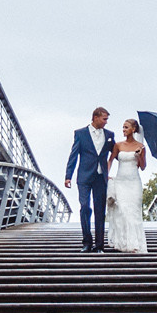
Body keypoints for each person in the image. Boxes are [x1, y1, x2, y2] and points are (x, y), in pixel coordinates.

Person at [62, 106, 113, 252]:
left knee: (100, 210)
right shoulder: (80, 134)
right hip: (84, 176)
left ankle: (99, 245)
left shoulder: (109, 134)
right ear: (96, 117)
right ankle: (86, 242)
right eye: (104, 119)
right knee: (85, 207)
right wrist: (68, 176)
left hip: (100, 177)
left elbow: (116, 151)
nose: (106, 122)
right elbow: (73, 155)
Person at [104, 117, 150, 255]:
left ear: (133, 129)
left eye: (126, 127)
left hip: (134, 182)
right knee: (122, 211)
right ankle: (122, 242)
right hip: (121, 181)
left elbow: (142, 167)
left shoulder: (140, 147)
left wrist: (140, 156)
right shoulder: (118, 145)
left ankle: (135, 244)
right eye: (123, 127)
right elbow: (110, 160)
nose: (123, 130)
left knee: (134, 212)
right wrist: (107, 174)